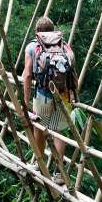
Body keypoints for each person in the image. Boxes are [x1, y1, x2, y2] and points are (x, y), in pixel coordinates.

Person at [22, 16, 77, 183]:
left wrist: (25, 101)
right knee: (58, 131)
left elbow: (27, 75)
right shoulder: (64, 46)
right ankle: (60, 173)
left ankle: (39, 165)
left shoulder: (33, 46)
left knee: (39, 127)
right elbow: (72, 72)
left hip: (43, 92)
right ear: (53, 30)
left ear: (37, 32)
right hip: (64, 94)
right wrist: (73, 94)